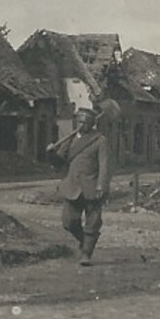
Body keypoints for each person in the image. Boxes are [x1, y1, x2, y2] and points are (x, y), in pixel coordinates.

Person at [46, 99, 118, 266]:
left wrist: (102, 185)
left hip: (92, 187)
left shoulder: (100, 140)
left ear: (92, 124)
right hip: (72, 187)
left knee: (92, 222)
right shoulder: (70, 140)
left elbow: (105, 165)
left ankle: (86, 253)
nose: (82, 124)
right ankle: (83, 241)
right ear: (75, 121)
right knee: (68, 222)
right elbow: (59, 162)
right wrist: (50, 153)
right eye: (79, 121)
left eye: (85, 122)